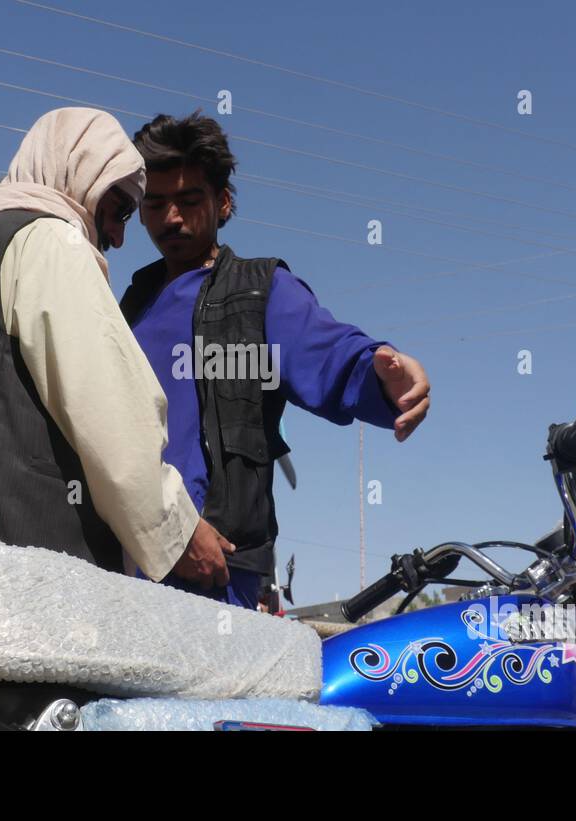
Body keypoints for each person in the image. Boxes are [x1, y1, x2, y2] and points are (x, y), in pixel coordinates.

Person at [0, 107, 233, 588]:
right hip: (4, 577)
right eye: (118, 209)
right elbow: (110, 413)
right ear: (77, 174)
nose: (118, 235)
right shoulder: (50, 241)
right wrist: (178, 531)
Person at [119, 112, 431, 610]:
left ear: (223, 202)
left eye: (189, 200)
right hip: (128, 559)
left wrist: (382, 372)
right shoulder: (132, 304)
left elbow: (328, 352)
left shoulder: (258, 291)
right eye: (154, 204)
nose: (171, 218)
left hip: (217, 567)